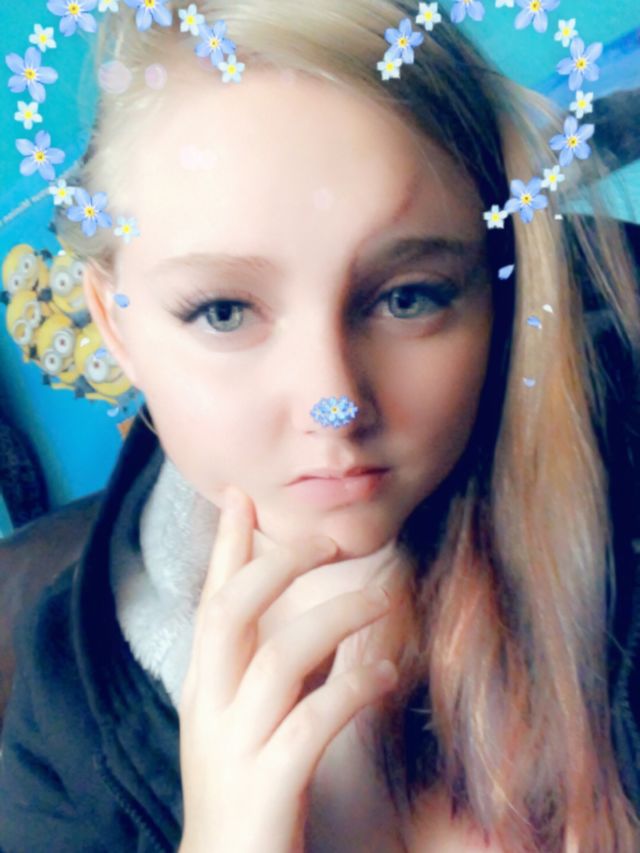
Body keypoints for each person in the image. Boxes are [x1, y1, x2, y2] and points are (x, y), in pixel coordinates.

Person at [1, 0, 640, 850]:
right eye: (225, 311)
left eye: (407, 297)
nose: (333, 401)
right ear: (117, 325)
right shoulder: (66, 715)